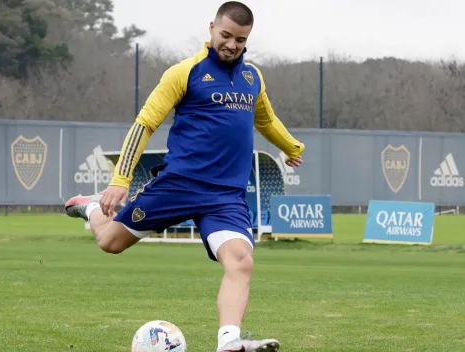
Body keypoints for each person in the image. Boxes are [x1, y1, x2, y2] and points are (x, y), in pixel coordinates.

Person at [65, 1, 304, 351]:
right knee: (110, 243)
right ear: (211, 28)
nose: (232, 45)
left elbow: (265, 119)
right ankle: (91, 209)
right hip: (178, 186)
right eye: (225, 35)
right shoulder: (184, 72)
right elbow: (144, 124)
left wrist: (291, 146)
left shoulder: (253, 78)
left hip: (226, 196)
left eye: (240, 39)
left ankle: (229, 341)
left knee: (241, 261)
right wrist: (120, 180)